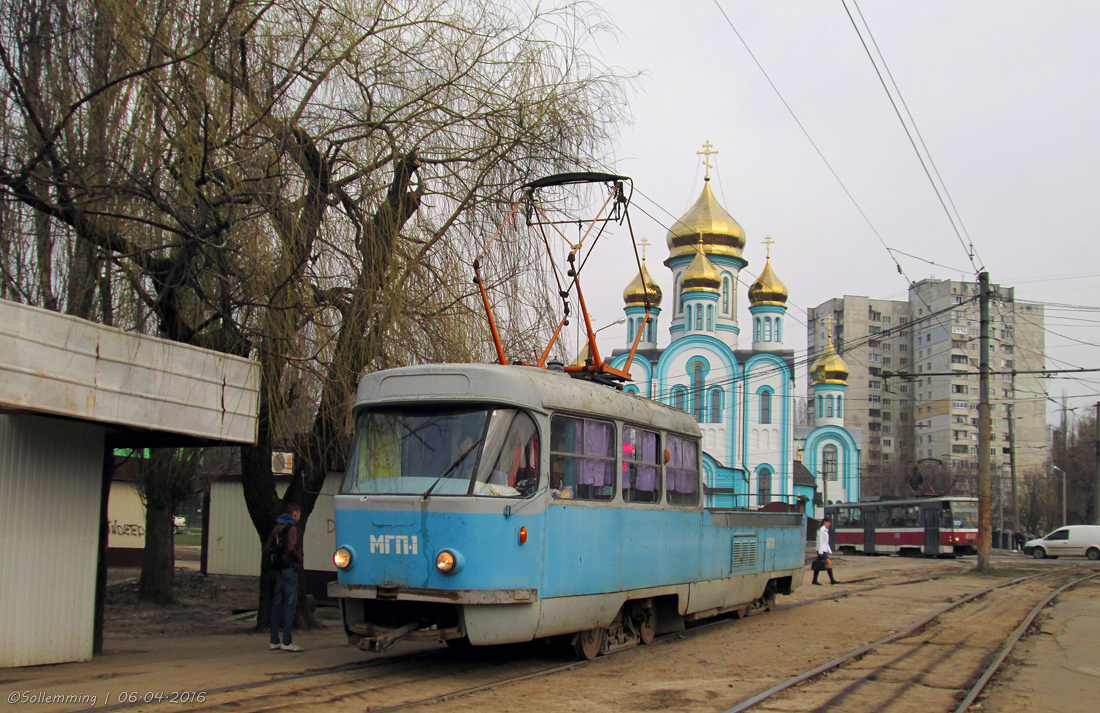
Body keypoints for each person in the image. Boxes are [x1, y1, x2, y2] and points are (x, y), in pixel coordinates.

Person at [264, 503, 304, 652]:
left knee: (277, 605)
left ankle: (274, 640)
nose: (299, 517)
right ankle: (287, 641)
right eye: (298, 514)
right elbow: (290, 547)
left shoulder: (277, 527)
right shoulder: (291, 528)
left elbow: (267, 548)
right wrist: (298, 557)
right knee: (289, 605)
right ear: (294, 514)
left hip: (278, 570)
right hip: (289, 568)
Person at [813, 517, 837, 585]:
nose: (829, 524)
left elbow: (826, 542)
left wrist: (830, 551)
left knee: (818, 564)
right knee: (829, 563)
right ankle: (832, 580)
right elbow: (820, 541)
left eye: (830, 522)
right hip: (821, 550)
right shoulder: (821, 530)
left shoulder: (825, 530)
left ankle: (814, 580)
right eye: (828, 522)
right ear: (825, 522)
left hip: (824, 549)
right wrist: (820, 552)